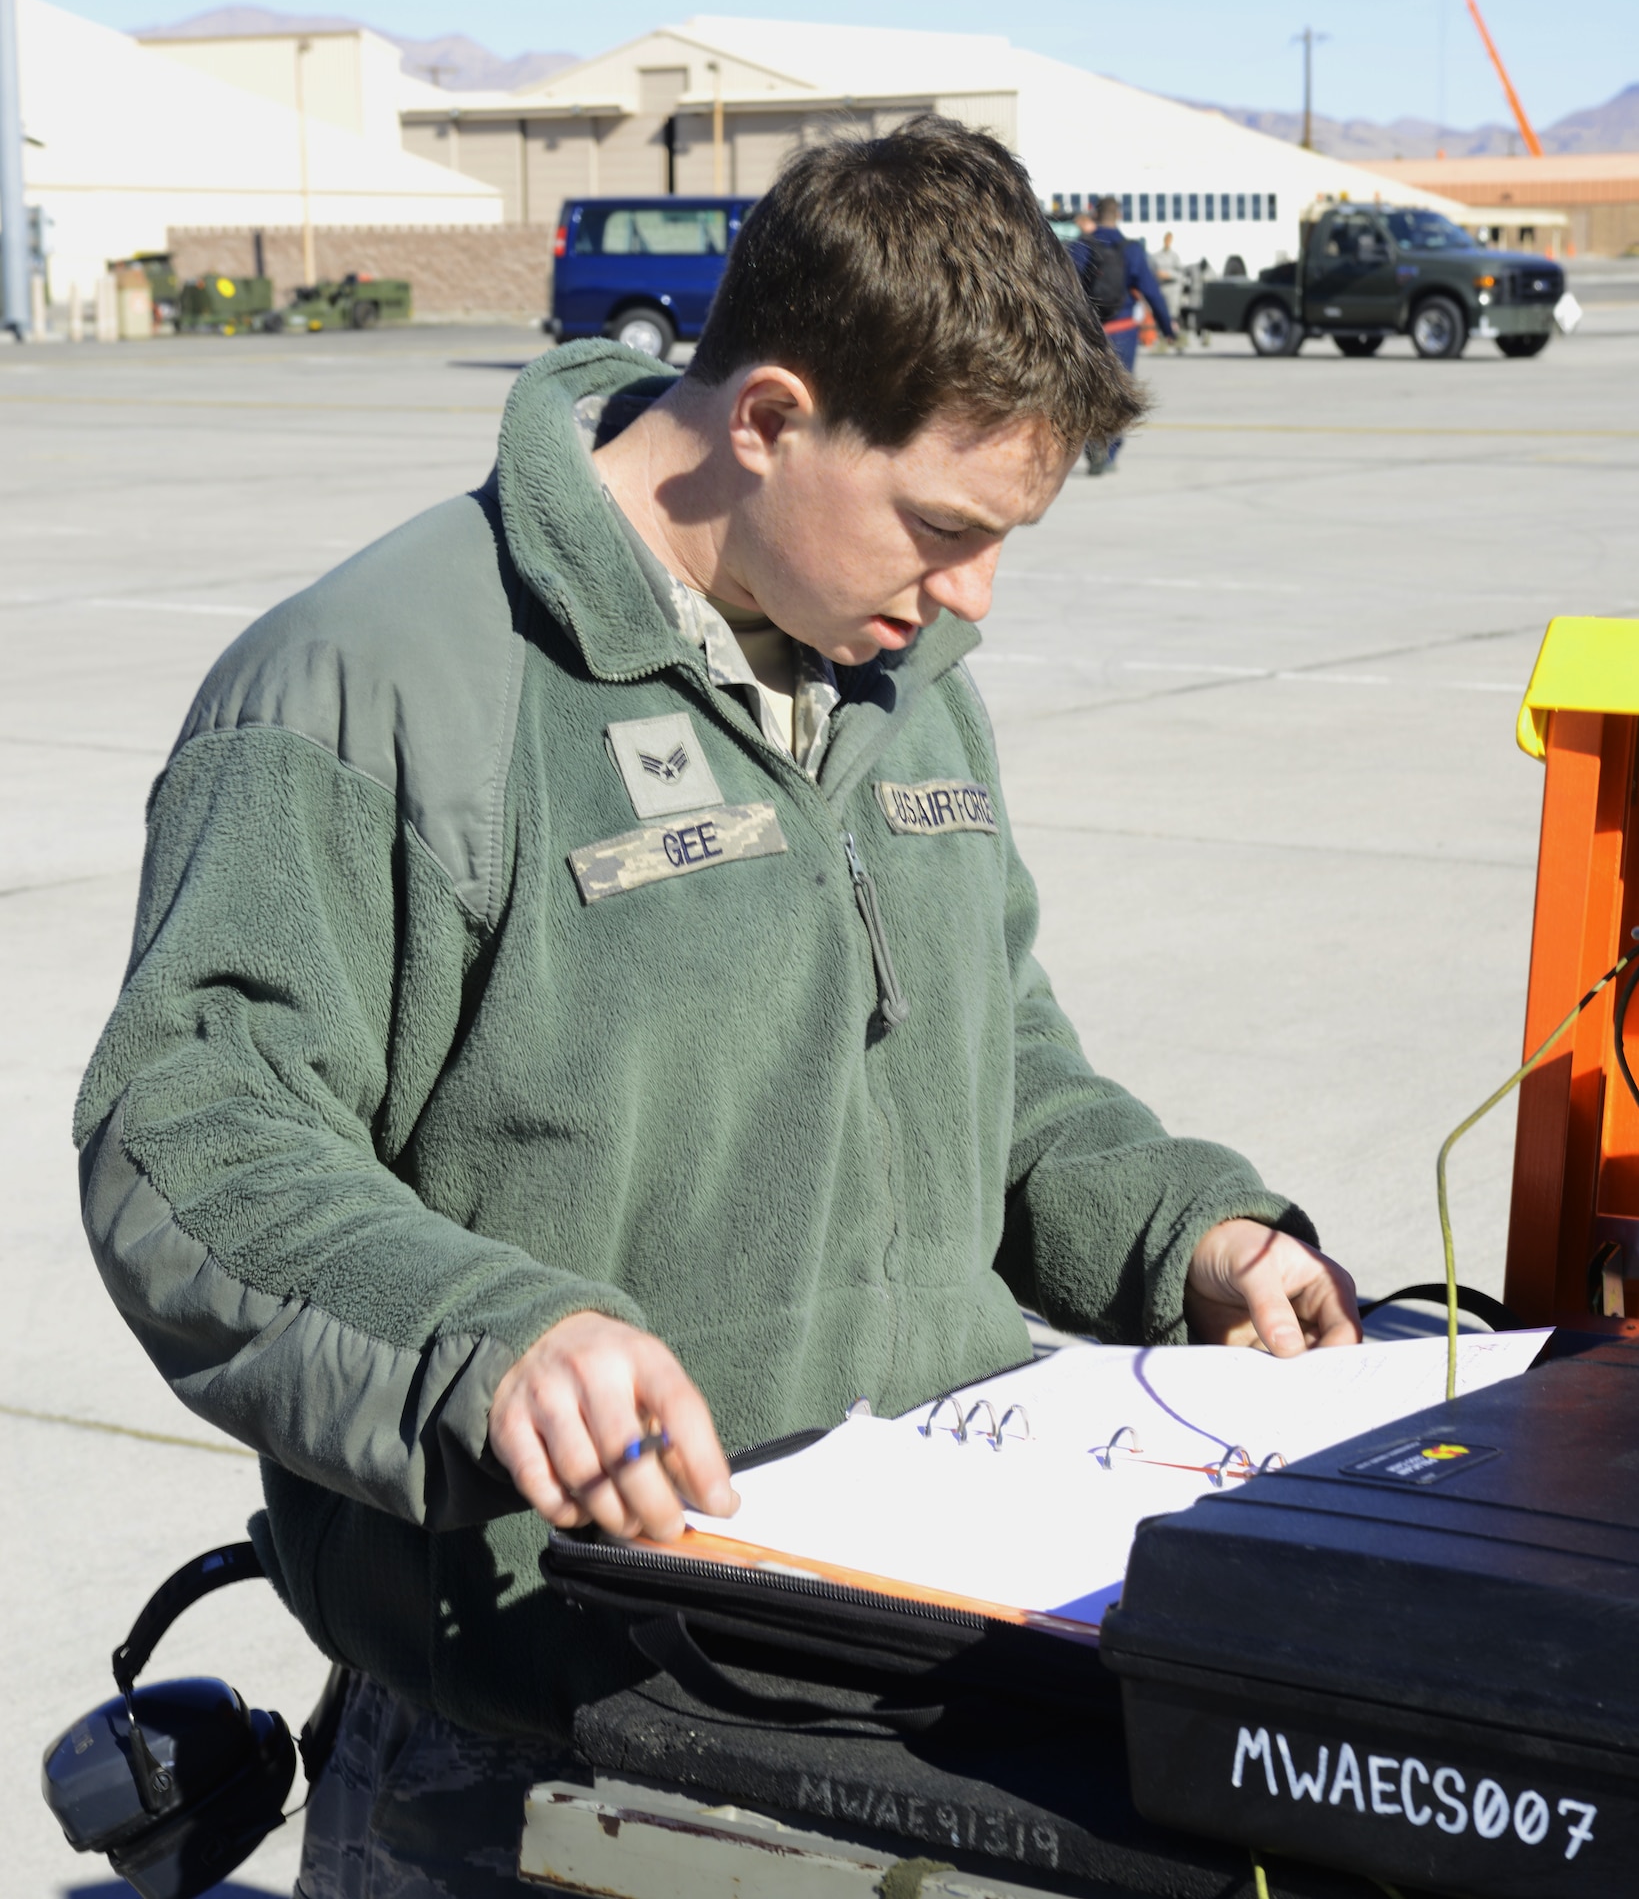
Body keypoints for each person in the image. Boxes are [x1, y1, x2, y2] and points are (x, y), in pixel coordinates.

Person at [74, 118, 1358, 1896]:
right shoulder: (376, 679)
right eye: (940, 527)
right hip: (534, 1746)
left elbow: (996, 1065)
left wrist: (1182, 1228)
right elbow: (191, 1133)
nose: (970, 596)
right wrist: (486, 1336)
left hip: (908, 1700)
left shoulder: (895, 673)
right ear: (763, 419)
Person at [1070, 196, 1177, 471]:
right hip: (1124, 332)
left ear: (1094, 216)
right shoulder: (1131, 250)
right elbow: (1152, 292)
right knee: (1119, 394)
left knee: (1089, 391)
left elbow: (1062, 288)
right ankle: (1109, 453)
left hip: (1090, 333)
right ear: (1117, 216)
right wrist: (1167, 328)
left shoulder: (1081, 247)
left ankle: (1093, 445)